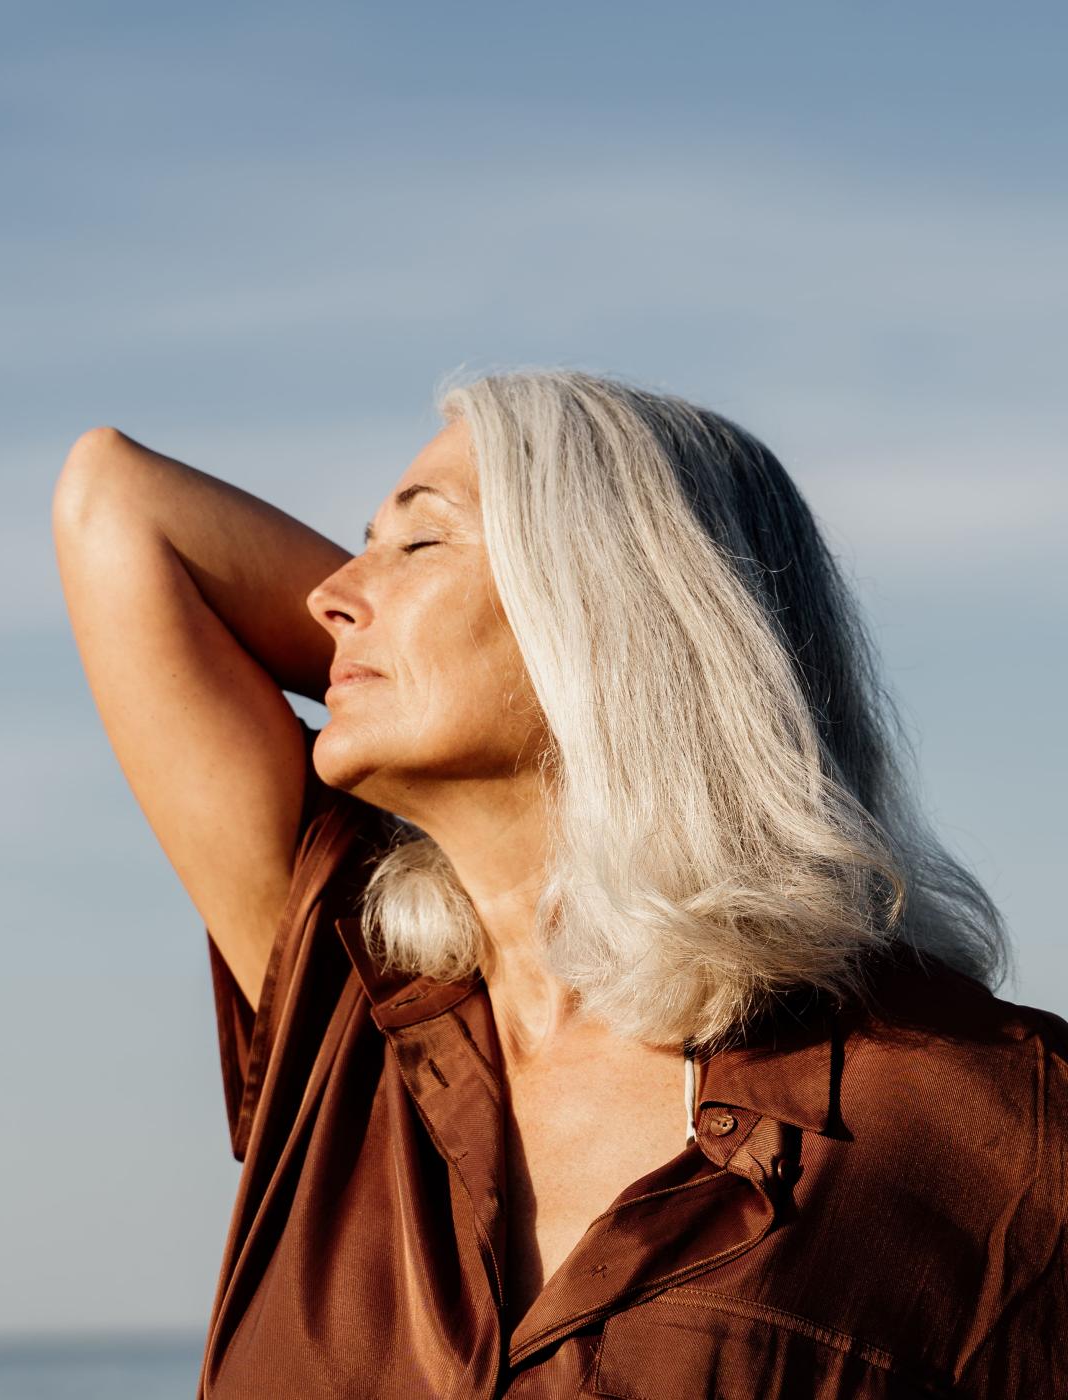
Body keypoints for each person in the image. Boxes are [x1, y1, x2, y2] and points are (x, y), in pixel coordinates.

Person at [52, 369, 1066, 1398]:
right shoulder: (347, 988)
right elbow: (115, 500)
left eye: (418, 541)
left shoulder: (999, 1121)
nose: (329, 598)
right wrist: (407, 652)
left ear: (610, 604)